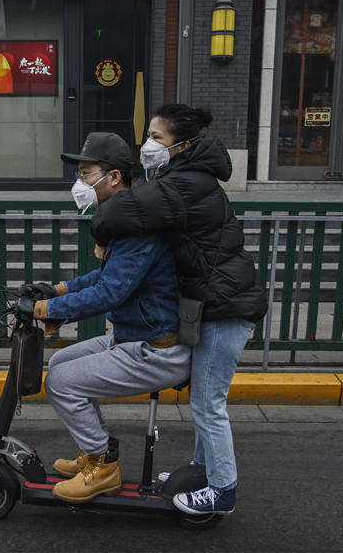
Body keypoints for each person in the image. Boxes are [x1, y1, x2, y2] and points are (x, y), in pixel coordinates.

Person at [90, 104, 267, 516]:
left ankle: (222, 491)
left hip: (225, 309)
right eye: (147, 135)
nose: (147, 145)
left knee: (208, 403)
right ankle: (204, 470)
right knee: (205, 399)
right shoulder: (184, 178)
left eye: (157, 138)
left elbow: (124, 209)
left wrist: (100, 230)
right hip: (217, 304)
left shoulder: (185, 183)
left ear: (183, 145)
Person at [21, 132, 191, 504]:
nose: (79, 183)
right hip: (134, 335)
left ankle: (104, 467)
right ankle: (94, 451)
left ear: (114, 177)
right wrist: (58, 290)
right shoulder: (129, 214)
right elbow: (108, 276)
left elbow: (112, 292)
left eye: (86, 173)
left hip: (155, 348)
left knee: (63, 381)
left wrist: (44, 311)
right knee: (64, 361)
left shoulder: (137, 225)